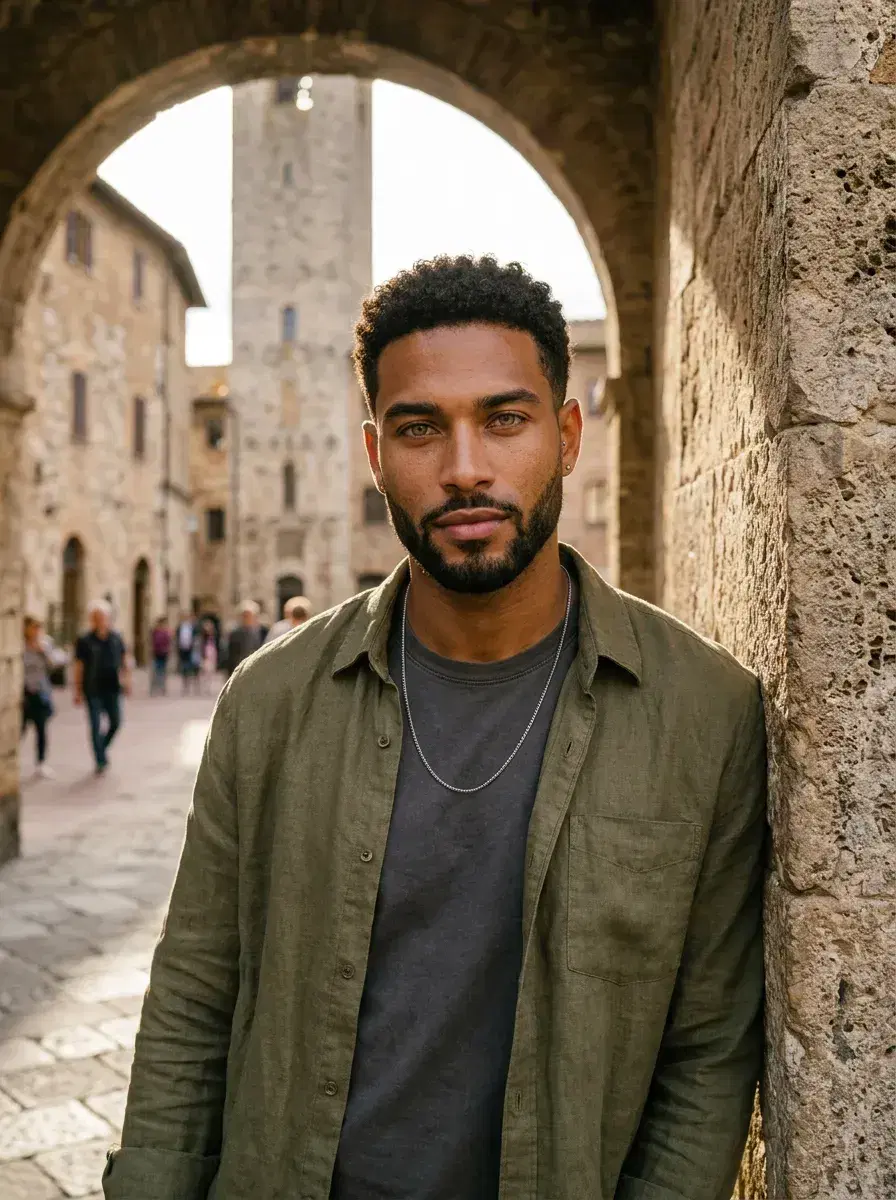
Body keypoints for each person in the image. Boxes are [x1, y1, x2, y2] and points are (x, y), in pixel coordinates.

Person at [104, 257, 767, 1200]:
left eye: (505, 419)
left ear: (568, 434)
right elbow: (194, 1002)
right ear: (375, 454)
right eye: (420, 429)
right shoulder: (270, 704)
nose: (466, 469)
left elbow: (708, 1052)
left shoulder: (705, 713)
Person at [74, 600, 130, 774]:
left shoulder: (116, 638)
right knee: (95, 725)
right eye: (96, 617)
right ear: (92, 619)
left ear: (108, 618)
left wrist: (127, 681)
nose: (99, 620)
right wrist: (77, 690)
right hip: (92, 688)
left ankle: (101, 749)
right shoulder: (84, 640)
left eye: (102, 617)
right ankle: (100, 760)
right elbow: (79, 667)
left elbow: (124, 660)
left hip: (112, 687)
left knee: (116, 722)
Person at [21, 616, 55, 779]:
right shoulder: (19, 645)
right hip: (23, 693)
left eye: (38, 628)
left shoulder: (45, 643)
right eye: (33, 627)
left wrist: (43, 652)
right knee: (19, 729)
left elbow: (53, 665)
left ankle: (41, 763)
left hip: (40, 693)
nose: (36, 631)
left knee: (41, 729)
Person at [223, 600, 264, 675]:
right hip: (239, 670)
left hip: (258, 669)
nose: (246, 618)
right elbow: (230, 655)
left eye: (248, 615)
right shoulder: (234, 633)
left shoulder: (263, 631)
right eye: (244, 616)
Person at [175, 613, 199, 695]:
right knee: (184, 667)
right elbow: (177, 638)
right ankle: (185, 684)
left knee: (193, 668)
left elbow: (197, 638)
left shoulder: (193, 628)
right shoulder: (179, 627)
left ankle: (195, 685)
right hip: (182, 650)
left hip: (191, 651)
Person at [149, 617, 172, 696]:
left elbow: (169, 642)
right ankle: (154, 689)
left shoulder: (166, 632)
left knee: (162, 672)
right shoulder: (155, 632)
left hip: (164, 654)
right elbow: (152, 642)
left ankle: (162, 688)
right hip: (156, 654)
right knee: (155, 671)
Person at [198, 619, 219, 694]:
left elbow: (216, 647)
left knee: (210, 672)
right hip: (205, 656)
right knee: (204, 672)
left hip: (212, 656)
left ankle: (208, 687)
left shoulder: (214, 637)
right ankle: (204, 687)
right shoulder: (203, 638)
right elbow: (200, 648)